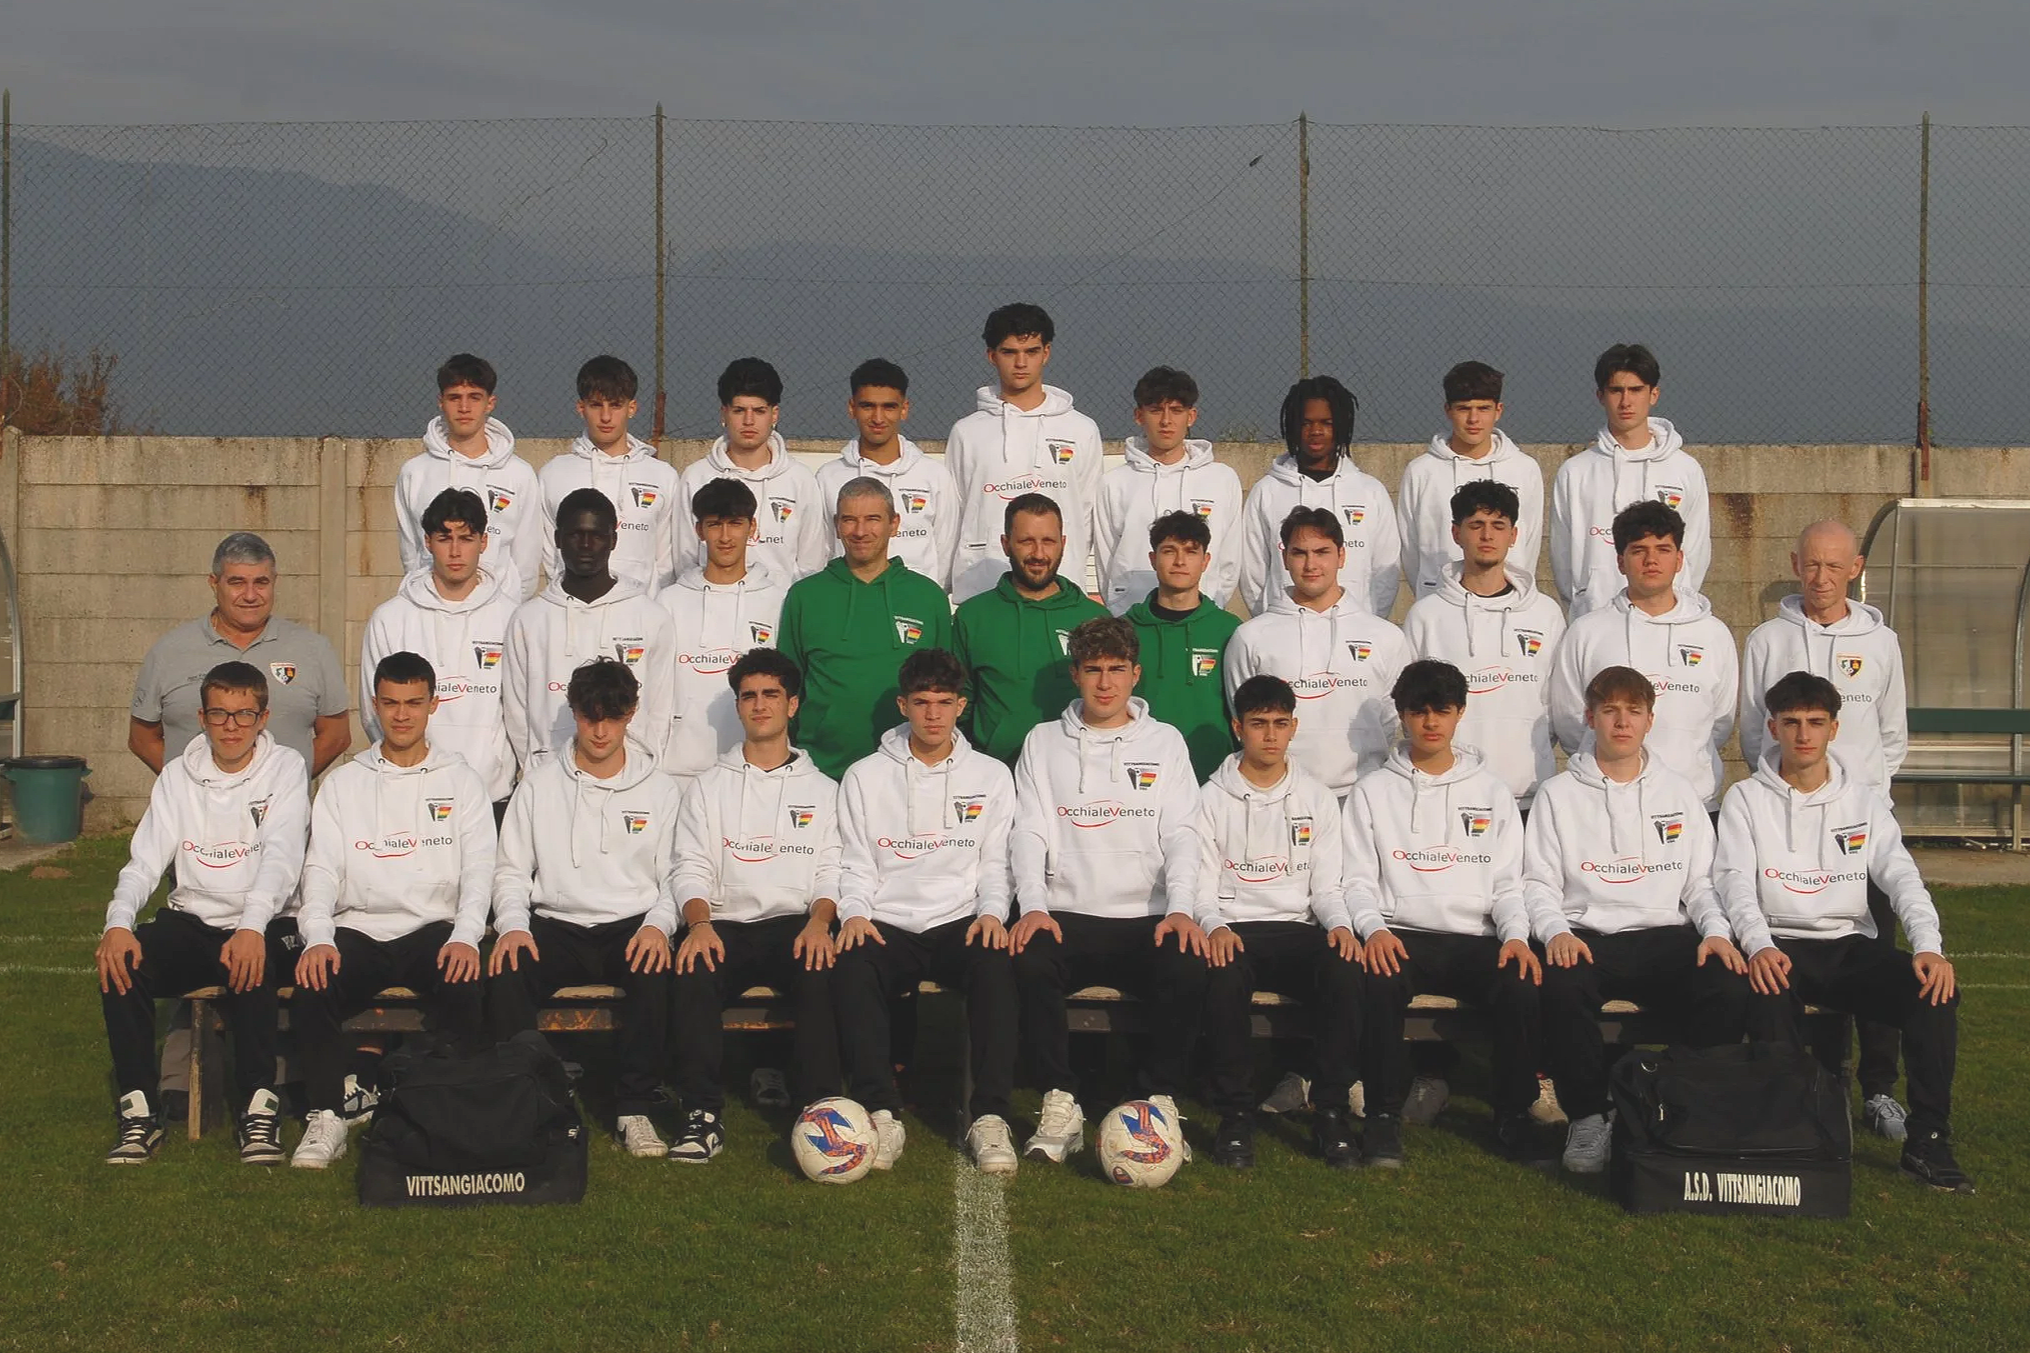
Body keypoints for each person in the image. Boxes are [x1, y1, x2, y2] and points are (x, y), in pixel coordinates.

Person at [1718, 671, 1972, 1193]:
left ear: (1834, 728)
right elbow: (1734, 883)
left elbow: (1901, 875)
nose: (1803, 734)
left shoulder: (1864, 801)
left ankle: (1926, 1142)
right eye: (1791, 723)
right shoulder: (1745, 798)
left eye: (1815, 723)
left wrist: (1929, 946)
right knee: (1765, 994)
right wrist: (1759, 943)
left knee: (1933, 993)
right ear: (1773, 728)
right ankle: (1788, 1134)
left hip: (1849, 947)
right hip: (1779, 946)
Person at [1525, 664, 1751, 1175]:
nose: (1621, 723)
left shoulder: (1678, 795)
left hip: (1665, 937)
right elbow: (1537, 883)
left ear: (1650, 720)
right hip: (1587, 938)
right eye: (1610, 711)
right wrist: (1556, 931)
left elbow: (1700, 883)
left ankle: (1680, 1105)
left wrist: (1716, 932)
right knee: (1560, 985)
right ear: (1590, 718)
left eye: (1633, 712)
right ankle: (1587, 1117)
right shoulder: (1558, 795)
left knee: (1728, 984)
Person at [1010, 617, 1207, 1166]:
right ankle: (1061, 1101)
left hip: (1146, 915)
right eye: (1092, 670)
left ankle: (1159, 1103)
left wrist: (1184, 909)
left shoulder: (1165, 743)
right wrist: (1033, 907)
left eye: (1116, 670)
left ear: (1135, 674)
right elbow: (1029, 829)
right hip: (1068, 911)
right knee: (1027, 956)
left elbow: (1183, 833)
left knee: (1188, 964)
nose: (1104, 683)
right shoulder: (1043, 742)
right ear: (1074, 674)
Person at [96, 661, 310, 1165]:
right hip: (192, 920)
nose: (231, 727)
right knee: (123, 963)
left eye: (243, 714)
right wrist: (117, 924)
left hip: (265, 917)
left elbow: (281, 856)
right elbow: (145, 860)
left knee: (252, 962)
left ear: (263, 717)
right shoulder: (177, 776)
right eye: (220, 714)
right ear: (202, 716)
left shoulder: (286, 769)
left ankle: (259, 1111)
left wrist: (252, 926)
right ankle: (139, 1111)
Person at [1739, 519, 1912, 1141]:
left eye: (1835, 567)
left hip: (1858, 831)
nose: (1821, 578)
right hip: (1786, 825)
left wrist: (1860, 802)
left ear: (1855, 567)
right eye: (1811, 565)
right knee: (1797, 952)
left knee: (1872, 955)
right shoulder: (1766, 638)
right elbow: (1751, 730)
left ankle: (1881, 1090)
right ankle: (1816, 1078)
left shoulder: (1882, 641)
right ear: (1795, 561)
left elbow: (1892, 736)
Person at [288, 651, 494, 1169]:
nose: (401, 715)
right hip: (359, 928)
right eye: (391, 703)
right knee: (314, 981)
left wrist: (466, 936)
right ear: (375, 705)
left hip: (432, 930)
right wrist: (317, 937)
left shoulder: (462, 781)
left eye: (413, 703)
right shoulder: (343, 783)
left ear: (433, 705)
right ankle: (327, 1114)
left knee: (468, 980)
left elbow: (479, 873)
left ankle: (445, 1110)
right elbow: (320, 873)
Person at [832, 647, 1021, 1174]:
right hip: (889, 920)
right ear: (903, 705)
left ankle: (988, 1117)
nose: (933, 714)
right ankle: (880, 1111)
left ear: (961, 706)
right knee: (853, 964)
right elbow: (856, 861)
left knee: (996, 965)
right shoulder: (865, 776)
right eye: (922, 702)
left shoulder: (990, 775)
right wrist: (854, 914)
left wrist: (991, 913)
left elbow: (994, 862)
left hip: (961, 918)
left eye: (943, 702)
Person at [1346, 659, 1542, 1167]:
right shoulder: (1372, 790)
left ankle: (1511, 1115)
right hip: (1402, 934)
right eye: (1419, 711)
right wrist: (1372, 930)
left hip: (1474, 937)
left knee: (1520, 983)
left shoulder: (1492, 792)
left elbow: (1507, 884)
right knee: (1378, 980)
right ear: (1402, 716)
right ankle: (1383, 1118)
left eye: (1442, 711)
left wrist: (1516, 936)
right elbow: (1358, 881)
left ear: (1460, 714)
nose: (1431, 722)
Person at [488, 659, 683, 1157]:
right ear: (573, 712)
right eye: (589, 716)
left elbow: (675, 876)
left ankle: (634, 1108)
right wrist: (512, 926)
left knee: (657, 970)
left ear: (631, 713)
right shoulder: (537, 784)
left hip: (629, 925)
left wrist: (659, 926)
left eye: (612, 717)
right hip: (556, 924)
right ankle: (526, 1098)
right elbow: (511, 870)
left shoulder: (660, 789)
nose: (600, 730)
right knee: (507, 969)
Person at [667, 648, 842, 1162]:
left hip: (794, 924)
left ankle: (819, 1114)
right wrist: (697, 924)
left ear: (793, 705)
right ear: (738, 706)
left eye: (771, 695)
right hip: (723, 924)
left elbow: (832, 868)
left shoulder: (824, 789)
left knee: (820, 970)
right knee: (694, 971)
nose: (759, 705)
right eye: (749, 696)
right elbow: (690, 866)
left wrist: (820, 921)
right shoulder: (706, 787)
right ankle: (702, 1115)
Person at [1197, 674, 1363, 1170]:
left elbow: (1327, 888)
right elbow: (1198, 884)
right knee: (1221, 977)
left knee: (1345, 968)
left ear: (1293, 727)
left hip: (1297, 928)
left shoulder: (1316, 798)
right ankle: (1236, 1116)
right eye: (1258, 724)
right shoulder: (1209, 798)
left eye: (1279, 724)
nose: (1269, 735)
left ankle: (1330, 1112)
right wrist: (1214, 925)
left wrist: (1339, 925)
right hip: (1235, 928)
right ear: (1237, 727)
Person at [1549, 501, 1736, 812]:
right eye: (1639, 550)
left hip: (1694, 804)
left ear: (1679, 560)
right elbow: (1571, 722)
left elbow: (1720, 722)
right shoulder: (1587, 632)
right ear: (1621, 562)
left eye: (1663, 549)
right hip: (1605, 802)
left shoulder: (1713, 634)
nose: (1651, 560)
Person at [129, 532, 350, 779]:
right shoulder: (169, 652)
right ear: (214, 583)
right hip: (197, 813)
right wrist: (189, 784)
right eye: (237, 583)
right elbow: (142, 738)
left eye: (261, 582)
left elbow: (336, 735)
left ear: (274, 581)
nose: (250, 595)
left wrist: (286, 784)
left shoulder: (313, 649)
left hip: (279, 813)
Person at [1224, 507, 1410, 799]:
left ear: (1342, 556)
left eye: (1322, 552)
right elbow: (1246, 719)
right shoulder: (1251, 637)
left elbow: (1391, 720)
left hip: (1364, 795)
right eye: (1300, 553)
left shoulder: (1386, 637)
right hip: (1280, 796)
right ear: (1284, 558)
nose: (1311, 564)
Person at [1401, 481, 1566, 810]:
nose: (1487, 536)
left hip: (1527, 794)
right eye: (1476, 525)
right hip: (1447, 793)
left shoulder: (1545, 614)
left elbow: (1557, 703)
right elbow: (1412, 709)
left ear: (1514, 535)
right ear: (1456, 533)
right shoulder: (1427, 616)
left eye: (1498, 526)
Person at [777, 478, 953, 779]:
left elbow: (945, 688)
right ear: (836, 525)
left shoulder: (927, 597)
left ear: (894, 523)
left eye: (873, 519)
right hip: (822, 770)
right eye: (849, 520)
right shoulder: (805, 596)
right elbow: (786, 687)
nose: (860, 532)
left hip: (907, 771)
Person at [361, 488, 520, 812]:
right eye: (445, 538)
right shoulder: (391, 618)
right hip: (410, 794)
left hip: (491, 800)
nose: (456, 551)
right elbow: (373, 712)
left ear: (484, 542)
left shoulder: (512, 617)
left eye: (466, 537)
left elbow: (521, 714)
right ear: (427, 542)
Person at [502, 487, 675, 772]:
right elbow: (517, 712)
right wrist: (541, 772)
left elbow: (659, 710)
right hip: (551, 780)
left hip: (628, 780)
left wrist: (639, 771)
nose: (585, 544)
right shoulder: (528, 619)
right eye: (575, 534)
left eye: (596, 535)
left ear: (613, 540)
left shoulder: (652, 617)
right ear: (557, 539)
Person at [945, 303, 1105, 601]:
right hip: (984, 590)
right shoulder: (967, 432)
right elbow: (955, 515)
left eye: (1031, 351)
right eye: (1009, 352)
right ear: (991, 356)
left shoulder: (1081, 430)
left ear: (1046, 353)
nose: (1021, 362)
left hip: (1061, 589)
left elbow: (1087, 514)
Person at [1550, 343, 1711, 619]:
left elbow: (1695, 551)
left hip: (1668, 619)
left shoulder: (1685, 469)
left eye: (1636, 390)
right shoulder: (1575, 472)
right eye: (1616, 390)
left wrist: (1672, 602)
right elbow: (1563, 558)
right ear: (1600, 395)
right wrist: (1588, 601)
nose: (1626, 401)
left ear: (1654, 394)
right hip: (1596, 618)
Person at [953, 493, 1109, 766]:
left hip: (1078, 777)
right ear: (1005, 544)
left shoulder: (1094, 619)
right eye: (1026, 541)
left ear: (1063, 544)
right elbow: (957, 708)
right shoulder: (973, 617)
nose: (1038, 554)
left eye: (1048, 541)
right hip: (997, 775)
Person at [657, 477, 788, 784]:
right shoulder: (668, 601)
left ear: (752, 528)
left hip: (755, 768)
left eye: (735, 523)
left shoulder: (778, 600)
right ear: (699, 530)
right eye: (715, 525)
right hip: (680, 770)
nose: (726, 536)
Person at [1236, 375, 1400, 618]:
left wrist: (1367, 624)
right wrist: (1271, 623)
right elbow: (1253, 573)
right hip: (1285, 630)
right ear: (1293, 426)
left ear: (1341, 425)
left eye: (1326, 422)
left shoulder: (1370, 492)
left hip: (1354, 632)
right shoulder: (1267, 491)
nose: (1316, 431)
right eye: (1306, 423)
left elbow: (1385, 572)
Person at [1093, 365, 1242, 614]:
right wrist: (1121, 607)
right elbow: (1106, 560)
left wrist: (1213, 605)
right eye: (1155, 411)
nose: (1166, 421)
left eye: (1176, 411)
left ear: (1191, 416)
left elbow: (1229, 559)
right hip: (1133, 615)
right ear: (1138, 415)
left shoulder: (1222, 479)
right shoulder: (1114, 483)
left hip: (1202, 615)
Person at [393, 353, 543, 600]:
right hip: (432, 611)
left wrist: (507, 607)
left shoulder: (519, 474)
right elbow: (412, 553)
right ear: (441, 402)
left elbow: (526, 561)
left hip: (498, 616)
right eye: (454, 398)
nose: (464, 408)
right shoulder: (414, 472)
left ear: (490, 403)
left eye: (474, 397)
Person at [674, 357, 829, 584]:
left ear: (774, 414)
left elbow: (812, 563)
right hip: (713, 608)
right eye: (739, 410)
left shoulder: (800, 479)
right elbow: (685, 560)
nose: (748, 421)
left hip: (779, 611)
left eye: (758, 411)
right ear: (724, 413)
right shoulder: (696, 477)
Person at [1398, 360, 1544, 599]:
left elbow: (1529, 543)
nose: (1474, 419)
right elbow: (1410, 548)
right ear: (1448, 410)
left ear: (1499, 411)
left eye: (1483, 408)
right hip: (1440, 601)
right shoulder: (1421, 471)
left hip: (1507, 603)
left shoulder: (1524, 468)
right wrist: (1432, 592)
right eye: (1464, 408)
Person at [538, 355, 679, 591]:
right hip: (572, 612)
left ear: (631, 408)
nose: (605, 417)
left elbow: (666, 562)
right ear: (580, 408)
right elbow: (549, 555)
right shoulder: (554, 473)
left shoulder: (662, 476)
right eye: (596, 405)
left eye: (615, 405)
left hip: (638, 615)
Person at [815, 358, 960, 589]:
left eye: (889, 407)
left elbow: (946, 552)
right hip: (847, 603)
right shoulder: (828, 477)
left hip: (912, 605)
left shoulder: (934, 476)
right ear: (852, 408)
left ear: (904, 409)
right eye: (868, 406)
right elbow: (821, 550)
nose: (878, 418)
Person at [1124, 510, 1241, 782]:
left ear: (1206, 561)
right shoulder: (1125, 630)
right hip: (1145, 775)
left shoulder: (1230, 630)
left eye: (1190, 551)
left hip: (1214, 778)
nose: (1179, 561)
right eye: (1169, 551)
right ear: (1153, 559)